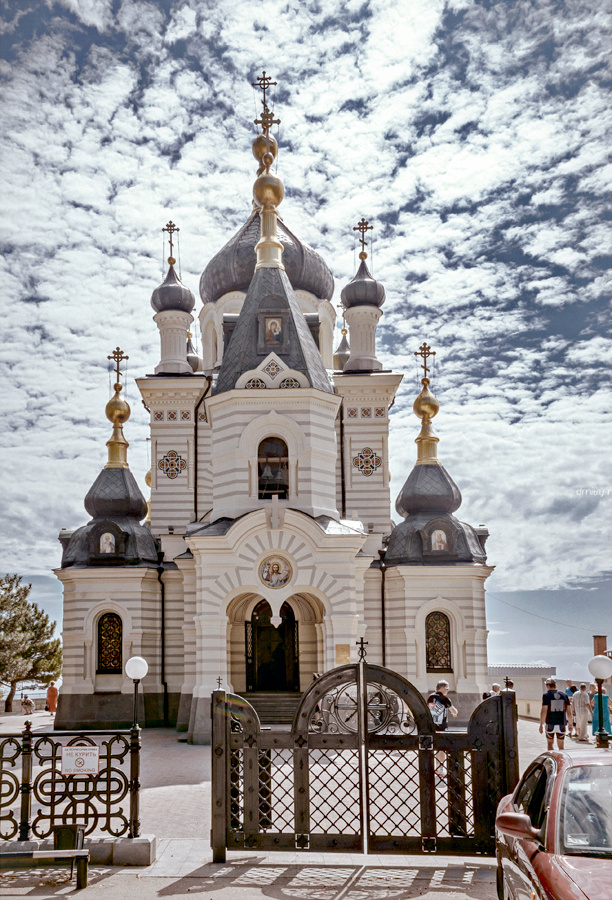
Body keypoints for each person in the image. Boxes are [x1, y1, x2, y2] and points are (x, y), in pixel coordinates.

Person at [427, 679, 458, 778]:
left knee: (435, 747)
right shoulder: (444, 698)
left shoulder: (431, 697)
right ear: (442, 688)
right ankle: (441, 768)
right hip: (441, 726)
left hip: (431, 726)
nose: (448, 690)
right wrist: (454, 713)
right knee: (442, 748)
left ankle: (437, 767)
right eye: (447, 688)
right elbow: (454, 710)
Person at [540, 677, 573, 750]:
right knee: (561, 747)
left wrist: (541, 724)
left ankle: (552, 756)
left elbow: (544, 711)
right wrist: (571, 724)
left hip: (550, 723)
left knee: (550, 744)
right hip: (561, 723)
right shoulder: (564, 695)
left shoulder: (546, 696)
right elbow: (569, 712)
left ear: (548, 685)